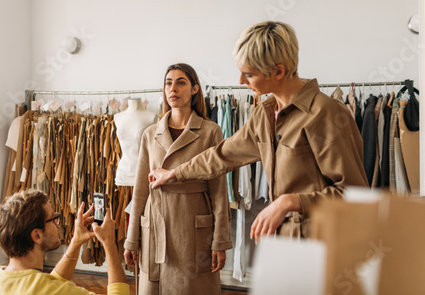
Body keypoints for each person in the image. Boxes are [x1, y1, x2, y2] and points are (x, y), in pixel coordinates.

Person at [149, 21, 369, 241]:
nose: (241, 81)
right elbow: (222, 155)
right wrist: (174, 173)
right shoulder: (264, 114)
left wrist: (291, 201)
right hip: (283, 243)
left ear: (278, 71)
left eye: (249, 75)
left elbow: (354, 195)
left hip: (324, 247)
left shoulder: (326, 113)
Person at [124, 63, 233, 294]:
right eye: (168, 83)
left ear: (194, 89)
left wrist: (220, 242)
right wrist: (131, 238)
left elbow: (219, 192)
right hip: (155, 224)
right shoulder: (150, 134)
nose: (173, 88)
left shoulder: (210, 131)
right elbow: (141, 189)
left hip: (193, 229)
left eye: (181, 82)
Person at [0, 189, 129, 295]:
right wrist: (109, 244)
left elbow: (47, 283)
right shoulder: (54, 290)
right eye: (53, 219)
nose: (58, 223)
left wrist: (76, 242)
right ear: (37, 235)